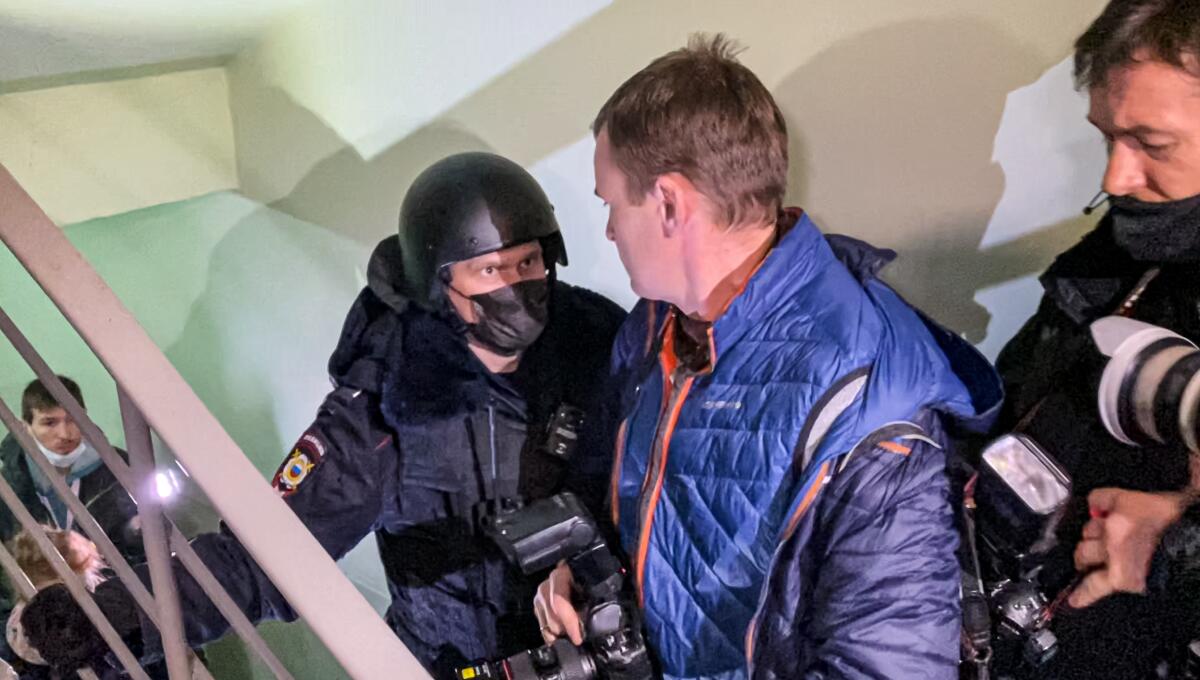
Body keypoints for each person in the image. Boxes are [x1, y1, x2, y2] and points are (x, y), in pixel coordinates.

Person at [20, 152, 627, 679]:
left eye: (528, 264)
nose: (517, 289)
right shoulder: (386, 405)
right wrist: (111, 615)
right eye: (490, 270)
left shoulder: (596, 343)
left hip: (592, 648)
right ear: (438, 282)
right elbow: (261, 560)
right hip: (442, 660)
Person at [534, 35, 1002, 679]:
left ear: (670, 203)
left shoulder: (865, 404)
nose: (611, 230)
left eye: (612, 204)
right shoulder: (655, 324)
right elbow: (603, 479)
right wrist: (579, 571)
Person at [994, 1, 1200, 676]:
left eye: (1152, 145)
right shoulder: (1120, 254)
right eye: (1108, 138)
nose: (1115, 179)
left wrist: (1174, 546)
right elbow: (1012, 402)